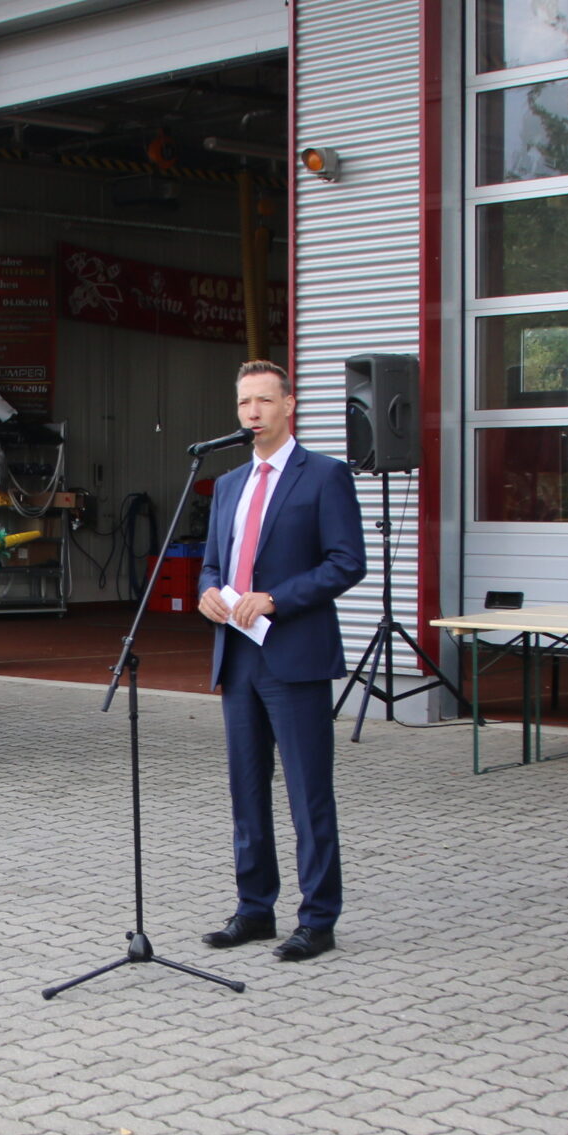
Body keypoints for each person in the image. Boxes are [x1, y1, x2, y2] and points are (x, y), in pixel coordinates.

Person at [196, 361, 367, 961]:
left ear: (289, 406)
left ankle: (318, 919)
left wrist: (278, 598)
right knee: (246, 790)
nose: (253, 412)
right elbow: (212, 563)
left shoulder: (324, 476)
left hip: (295, 656)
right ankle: (254, 909)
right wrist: (207, 593)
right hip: (238, 657)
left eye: (265, 401)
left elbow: (346, 562)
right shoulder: (227, 484)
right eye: (245, 402)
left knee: (306, 792)